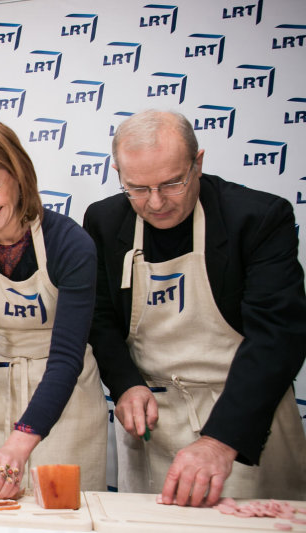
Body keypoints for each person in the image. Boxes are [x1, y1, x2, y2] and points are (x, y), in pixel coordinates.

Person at [83, 109, 306, 506]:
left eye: (172, 183)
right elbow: (99, 317)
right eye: (136, 187)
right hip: (153, 422)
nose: (155, 203)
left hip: (242, 417)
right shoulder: (103, 220)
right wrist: (126, 384)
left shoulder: (256, 218)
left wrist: (221, 442)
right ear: (117, 172)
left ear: (197, 163)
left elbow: (277, 336)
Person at [0, 100, 107, 501]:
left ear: (18, 175)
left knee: (64, 516)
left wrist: (20, 442)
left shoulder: (70, 243)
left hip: (66, 401)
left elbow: (67, 357)